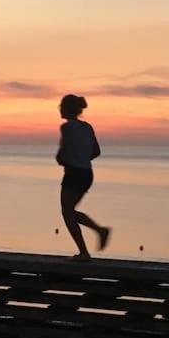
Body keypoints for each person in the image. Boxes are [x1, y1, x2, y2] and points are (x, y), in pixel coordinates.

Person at [55, 94, 111, 260]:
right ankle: (98, 233)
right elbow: (96, 152)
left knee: (67, 212)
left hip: (73, 173)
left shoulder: (66, 127)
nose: (59, 109)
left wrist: (65, 159)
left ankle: (86, 249)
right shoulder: (87, 127)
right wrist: (82, 159)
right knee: (69, 210)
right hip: (87, 173)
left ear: (66, 109)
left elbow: (62, 153)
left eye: (61, 106)